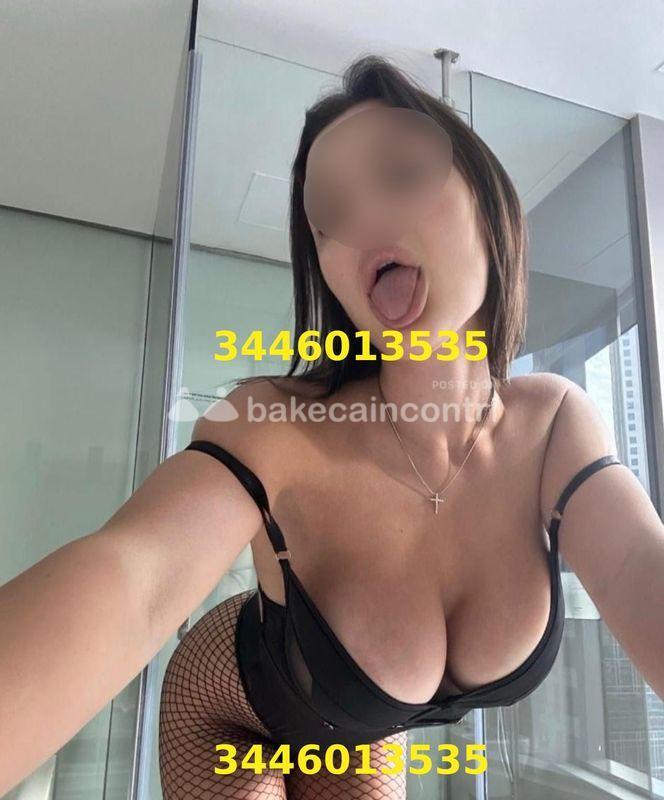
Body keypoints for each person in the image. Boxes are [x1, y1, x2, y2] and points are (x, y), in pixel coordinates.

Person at [1, 55, 663, 800]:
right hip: (227, 716)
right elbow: (136, 581)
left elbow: (637, 563)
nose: (365, 218)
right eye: (330, 217)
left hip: (356, 730)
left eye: (402, 174)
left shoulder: (555, 423)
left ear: (488, 206)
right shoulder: (268, 421)